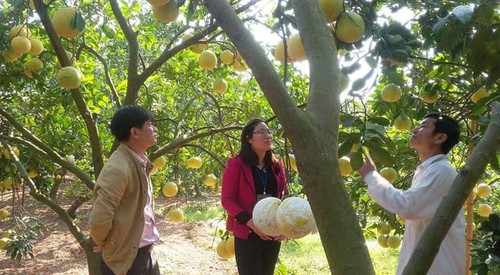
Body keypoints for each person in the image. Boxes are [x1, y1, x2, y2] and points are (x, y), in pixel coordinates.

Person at [358, 113, 465, 275]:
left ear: (440, 138)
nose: (415, 129)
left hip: (439, 267)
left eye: (423, 126)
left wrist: (371, 176)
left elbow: (409, 206)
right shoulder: (427, 170)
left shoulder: (442, 171)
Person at [89, 105, 160, 275]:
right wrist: (106, 243)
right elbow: (100, 217)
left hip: (145, 253)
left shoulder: (139, 162)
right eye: (149, 124)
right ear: (135, 132)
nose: (155, 128)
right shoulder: (118, 168)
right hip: (127, 261)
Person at [221, 118, 289, 275]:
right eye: (261, 132)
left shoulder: (276, 165)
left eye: (268, 132)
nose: (268, 136)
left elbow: (284, 196)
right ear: (249, 139)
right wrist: (251, 223)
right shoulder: (236, 164)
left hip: (272, 232)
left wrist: (285, 228)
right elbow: (227, 199)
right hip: (248, 232)